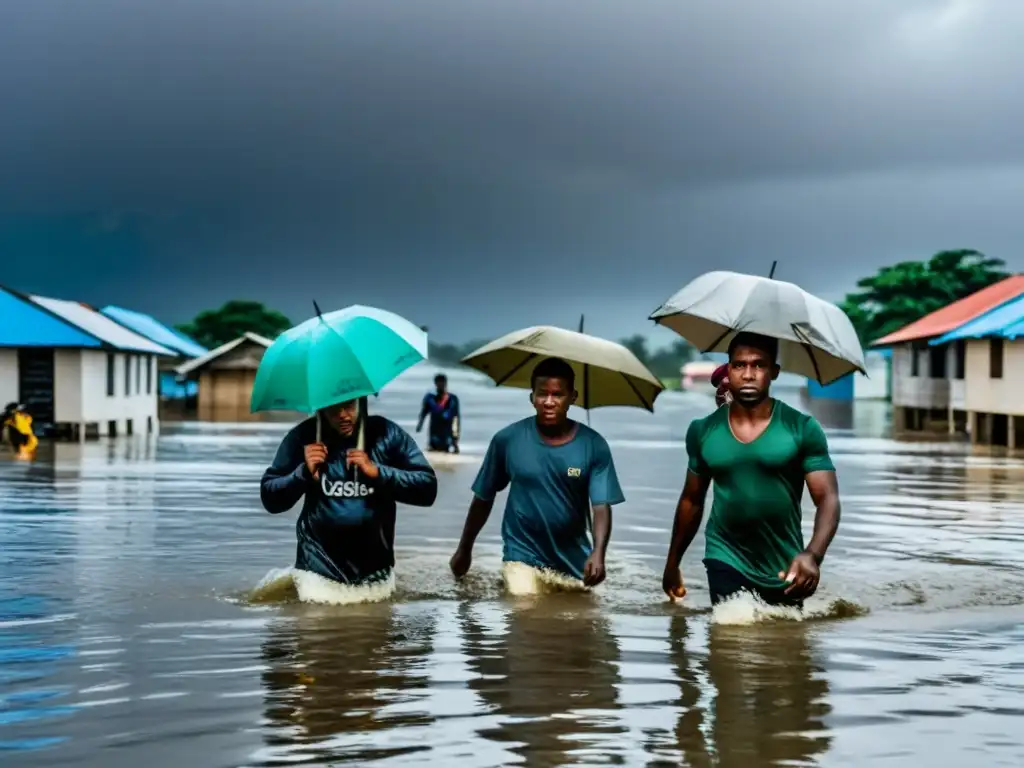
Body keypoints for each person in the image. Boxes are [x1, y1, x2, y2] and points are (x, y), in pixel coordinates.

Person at [661, 332, 841, 607]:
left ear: (774, 372)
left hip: (784, 563)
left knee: (782, 642)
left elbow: (827, 498)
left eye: (758, 365)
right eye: (739, 365)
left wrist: (813, 555)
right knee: (730, 632)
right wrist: (672, 563)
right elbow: (691, 500)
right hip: (724, 554)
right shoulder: (703, 430)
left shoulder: (802, 428)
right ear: (728, 370)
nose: (748, 374)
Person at [449, 357, 625, 590]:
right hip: (521, 553)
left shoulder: (594, 445)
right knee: (524, 607)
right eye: (542, 394)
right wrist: (464, 549)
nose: (549, 402)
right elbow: (483, 496)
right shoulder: (507, 440)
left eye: (558, 395)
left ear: (572, 397)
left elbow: (601, 507)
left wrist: (598, 553)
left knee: (577, 623)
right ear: (532, 397)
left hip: (573, 561)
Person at [260, 396, 438, 588]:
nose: (343, 415)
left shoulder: (386, 434)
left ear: (361, 401)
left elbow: (428, 489)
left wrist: (378, 472)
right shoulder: (303, 437)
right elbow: (270, 499)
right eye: (334, 408)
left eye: (349, 405)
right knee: (313, 616)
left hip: (375, 573)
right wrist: (302, 473)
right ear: (321, 408)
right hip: (315, 572)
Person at [416, 374, 460, 453]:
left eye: (442, 383)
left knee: (445, 453)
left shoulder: (452, 399)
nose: (441, 385)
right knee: (433, 452)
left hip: (447, 432)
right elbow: (423, 413)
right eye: (439, 383)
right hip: (434, 432)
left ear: (446, 383)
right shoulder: (429, 398)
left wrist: (455, 439)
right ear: (435, 383)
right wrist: (420, 425)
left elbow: (456, 419)